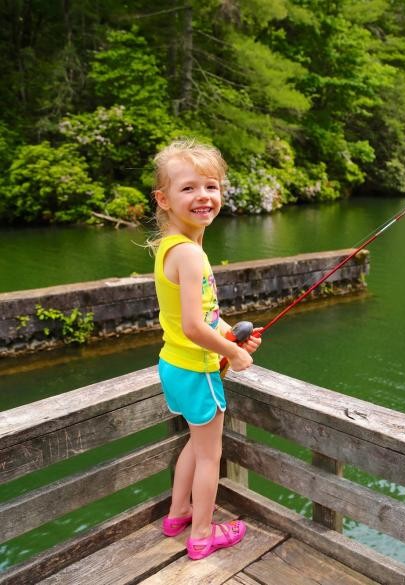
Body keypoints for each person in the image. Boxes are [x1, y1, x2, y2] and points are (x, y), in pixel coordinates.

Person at [149, 138, 261, 560]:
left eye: (211, 187)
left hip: (173, 365)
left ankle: (178, 514)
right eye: (189, 188)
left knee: (194, 445)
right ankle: (201, 535)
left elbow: (203, 318)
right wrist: (232, 355)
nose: (203, 197)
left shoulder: (171, 249)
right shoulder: (192, 257)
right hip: (197, 369)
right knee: (211, 456)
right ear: (164, 198)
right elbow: (196, 328)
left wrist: (231, 336)